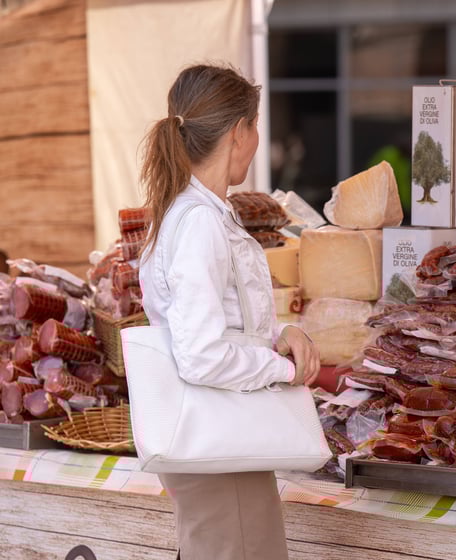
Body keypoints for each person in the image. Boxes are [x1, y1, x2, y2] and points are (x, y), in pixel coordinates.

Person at [138, 64, 319, 560]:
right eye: (256, 127)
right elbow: (200, 354)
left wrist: (282, 332)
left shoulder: (192, 214)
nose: (258, 139)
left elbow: (215, 319)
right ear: (239, 131)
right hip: (219, 451)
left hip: (220, 443)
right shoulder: (199, 223)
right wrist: (281, 369)